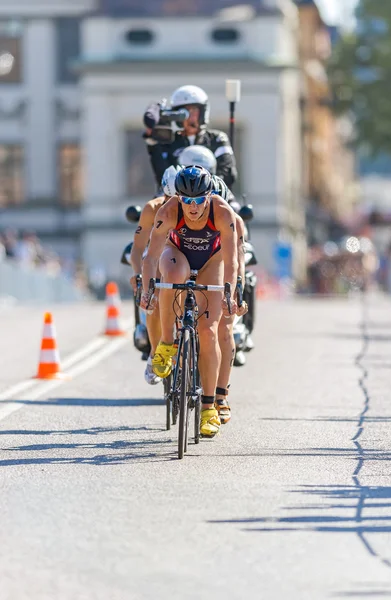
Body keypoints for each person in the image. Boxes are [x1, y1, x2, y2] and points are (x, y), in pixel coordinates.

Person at [139, 166, 246, 438]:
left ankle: (209, 408)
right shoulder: (168, 212)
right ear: (179, 198)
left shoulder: (223, 213)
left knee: (208, 331)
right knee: (170, 277)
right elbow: (150, 257)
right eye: (186, 200)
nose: (193, 207)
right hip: (177, 253)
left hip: (212, 260)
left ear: (209, 196)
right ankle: (166, 344)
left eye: (199, 200)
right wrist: (146, 289)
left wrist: (232, 293)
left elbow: (233, 261)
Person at [130, 165, 181, 385]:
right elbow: (138, 249)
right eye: (168, 196)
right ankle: (154, 352)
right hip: (156, 262)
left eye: (177, 197)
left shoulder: (192, 207)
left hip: (182, 261)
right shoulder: (153, 209)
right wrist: (138, 277)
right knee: (154, 301)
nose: (173, 202)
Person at [143, 85, 237, 190]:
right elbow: (162, 176)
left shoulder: (217, 139)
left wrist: (205, 188)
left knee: (235, 206)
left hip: (213, 196)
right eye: (184, 112)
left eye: (194, 110)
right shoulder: (169, 143)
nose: (190, 116)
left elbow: (228, 173)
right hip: (177, 198)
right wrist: (153, 136)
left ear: (202, 112)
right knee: (152, 206)